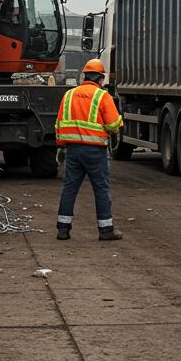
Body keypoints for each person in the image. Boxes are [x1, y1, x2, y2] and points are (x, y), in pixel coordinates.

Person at [55, 58, 124, 242]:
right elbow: (113, 124)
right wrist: (118, 120)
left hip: (73, 150)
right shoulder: (102, 96)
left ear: (84, 76)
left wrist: (61, 147)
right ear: (100, 79)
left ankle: (63, 229)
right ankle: (105, 230)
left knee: (69, 188)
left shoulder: (69, 95)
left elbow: (59, 124)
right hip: (95, 152)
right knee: (101, 189)